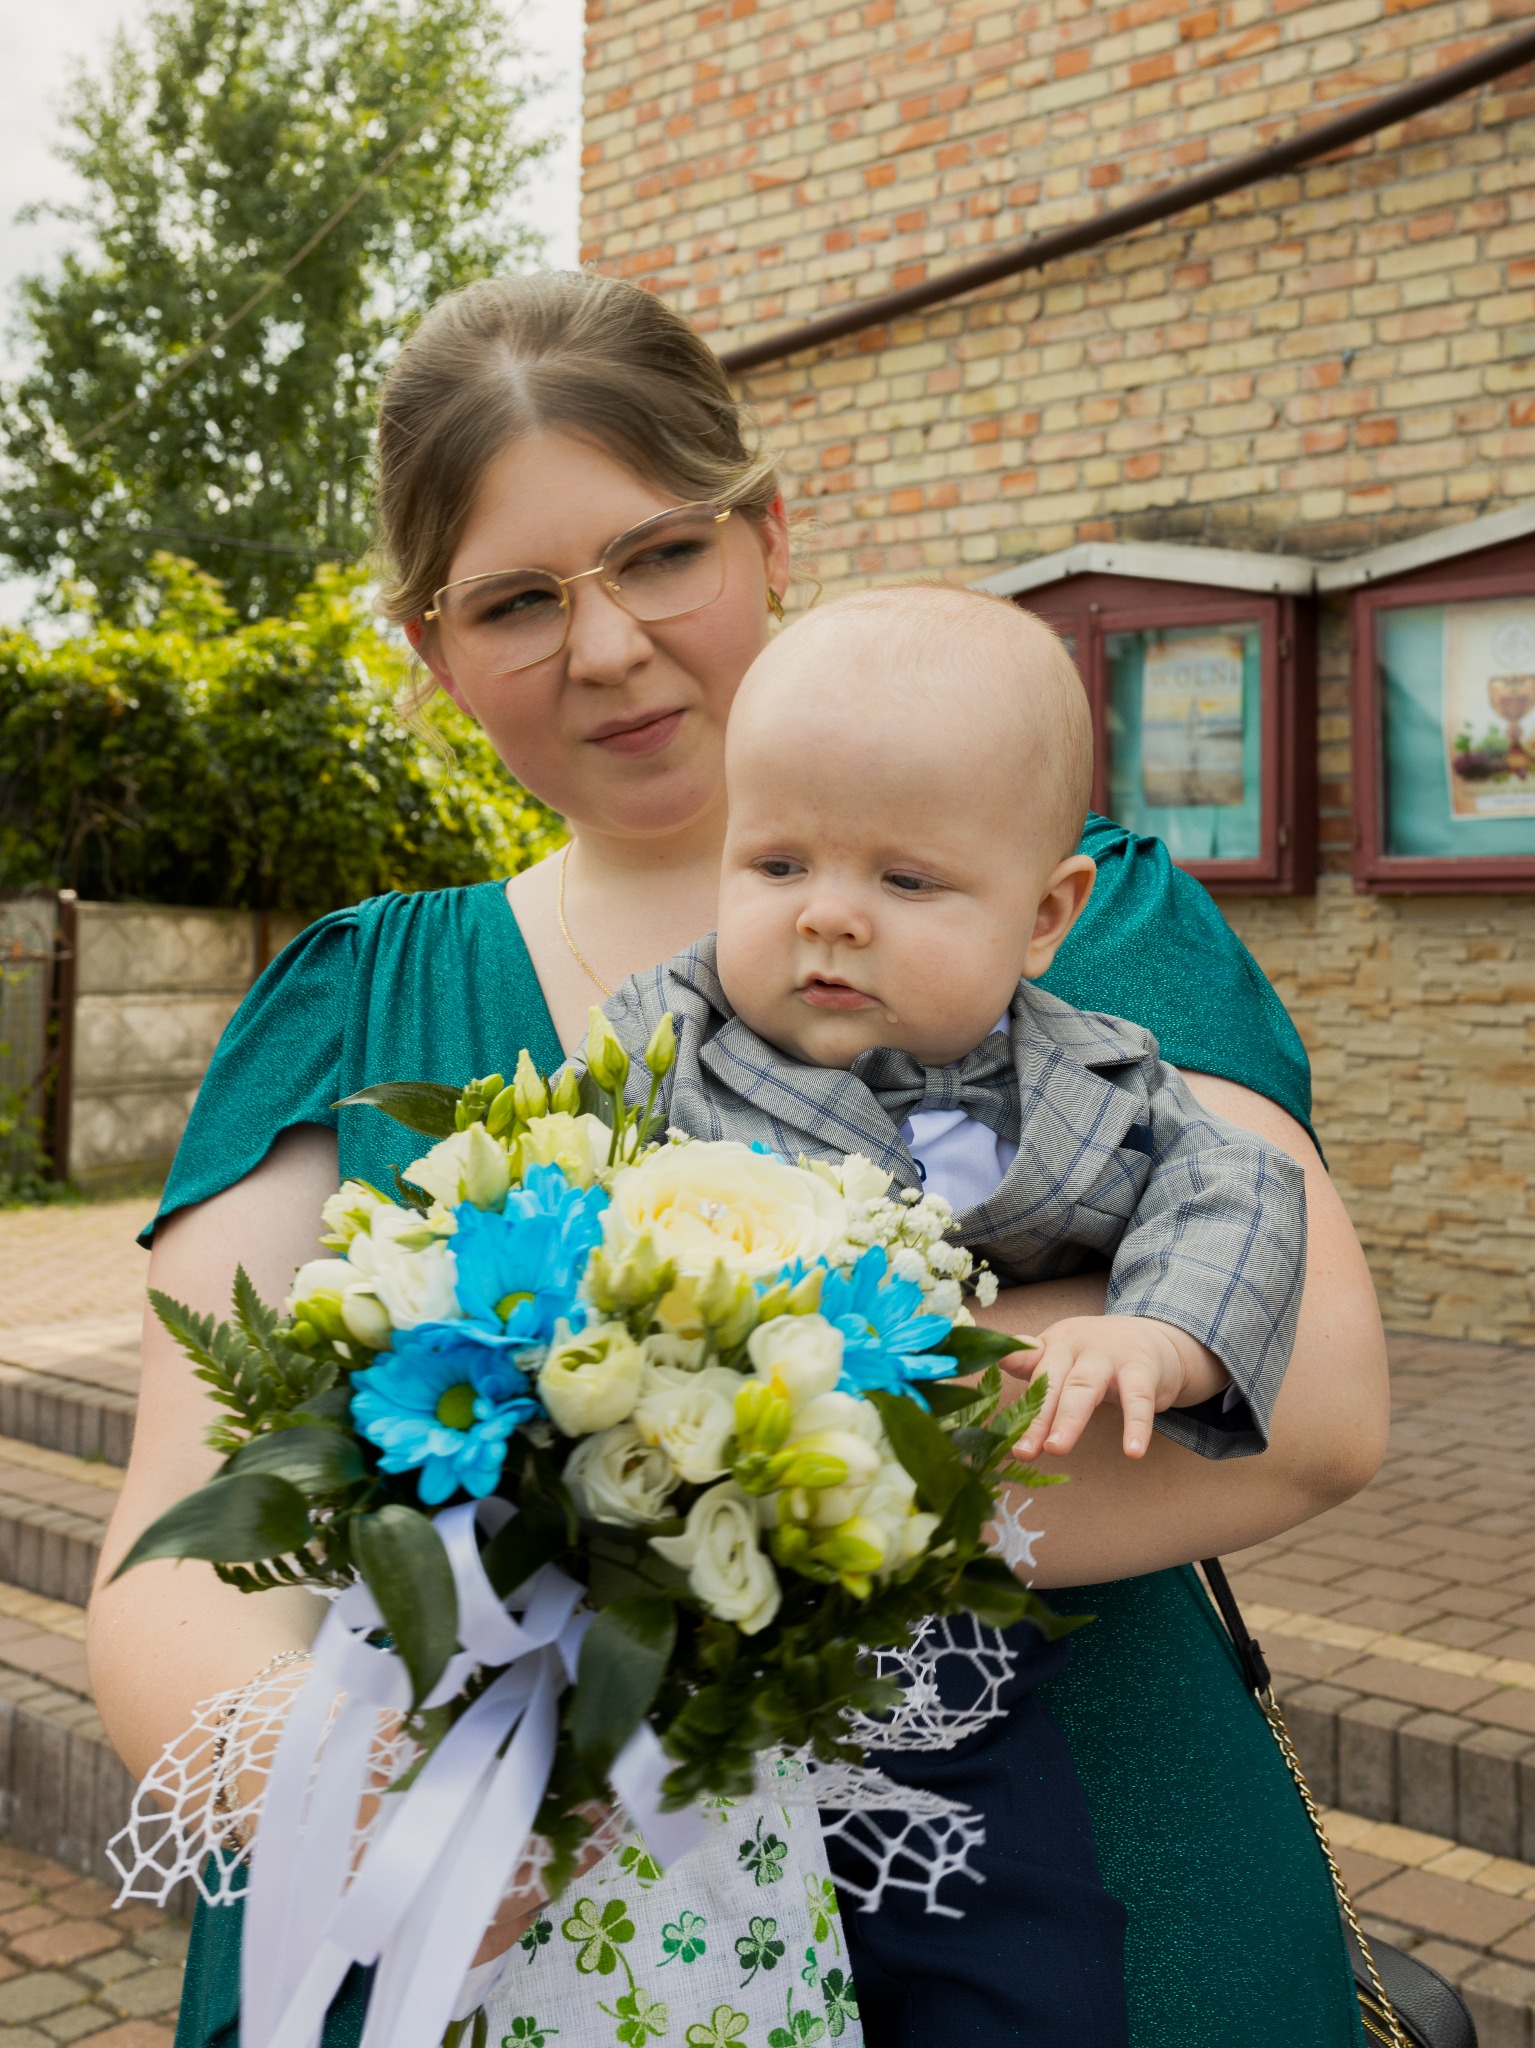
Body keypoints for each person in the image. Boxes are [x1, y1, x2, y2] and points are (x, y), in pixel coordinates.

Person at [86, 269, 1385, 2048]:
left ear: (772, 535)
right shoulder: (348, 1000)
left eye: (660, 555)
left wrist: (621, 1465)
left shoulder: (1071, 918)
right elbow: (182, 1544)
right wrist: (359, 1809)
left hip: (1092, 1894)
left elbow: (1305, 1391)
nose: (606, 645)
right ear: (430, 645)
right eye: (517, 599)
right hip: (490, 1915)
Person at [590, 581, 1308, 1469]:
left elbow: (1235, 1186)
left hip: (1043, 1550)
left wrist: (1162, 1334)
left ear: (1044, 917)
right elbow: (553, 1214)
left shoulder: (1101, 1083)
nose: (828, 917)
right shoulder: (662, 1050)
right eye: (777, 865)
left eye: (906, 881)